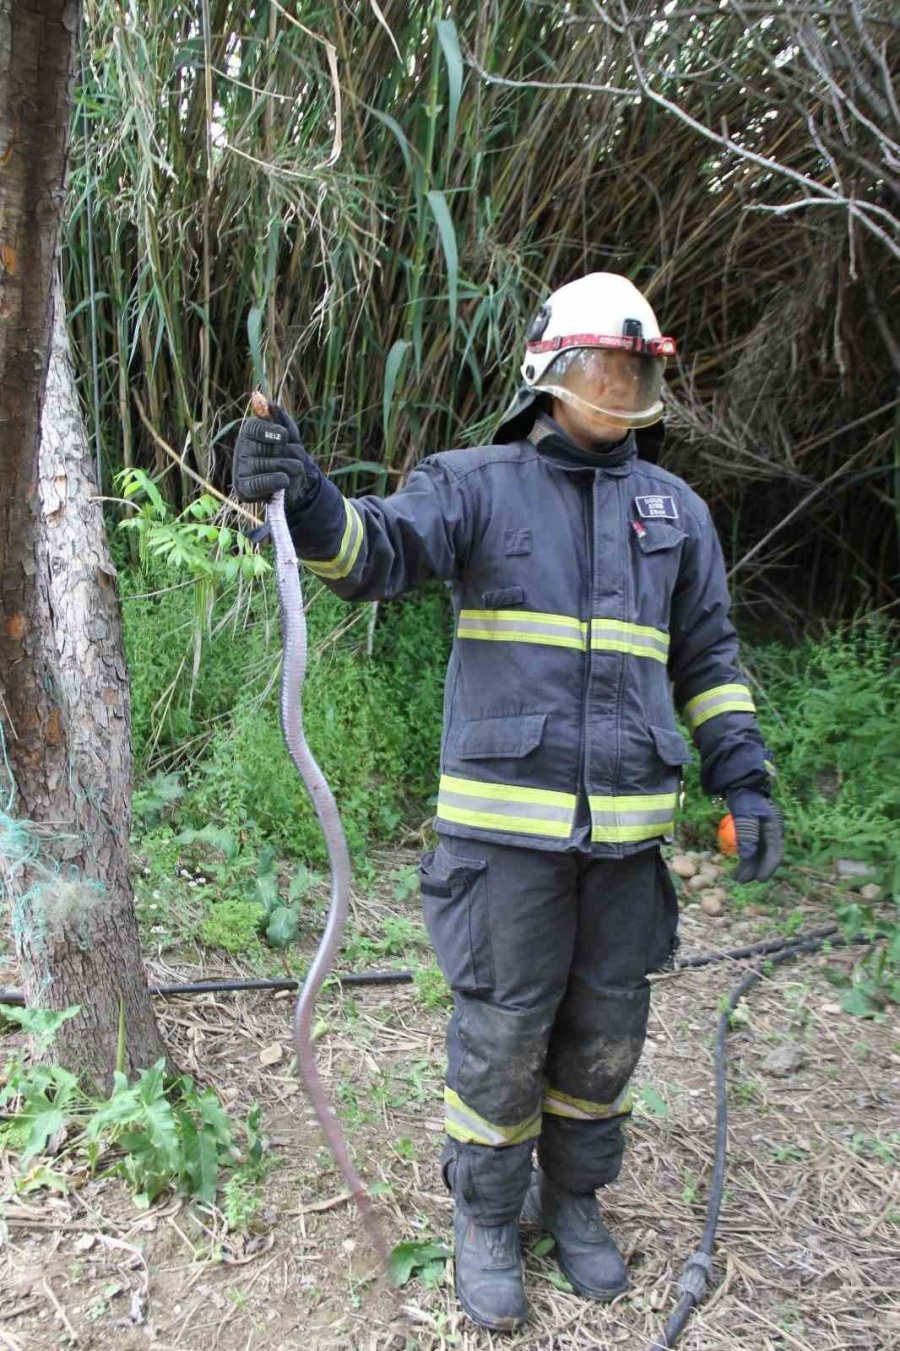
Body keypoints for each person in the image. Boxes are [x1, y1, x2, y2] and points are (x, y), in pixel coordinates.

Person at [233, 272, 783, 1332]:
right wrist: (304, 495)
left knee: (606, 1031)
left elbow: (710, 660)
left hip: (627, 846)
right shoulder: (476, 485)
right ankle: (486, 1216)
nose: (617, 387)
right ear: (549, 372)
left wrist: (744, 779)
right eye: (601, 367)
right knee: (503, 1030)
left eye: (634, 370)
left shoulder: (677, 514)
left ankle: (571, 1199)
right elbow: (374, 550)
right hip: (505, 846)